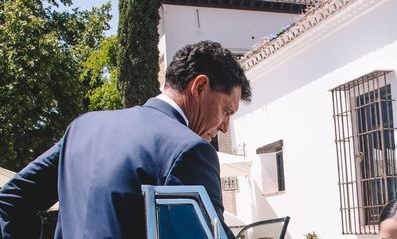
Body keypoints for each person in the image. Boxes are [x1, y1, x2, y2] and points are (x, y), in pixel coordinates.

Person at [0, 40, 251, 239]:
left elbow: (11, 201)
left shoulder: (82, 128)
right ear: (199, 87)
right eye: (226, 111)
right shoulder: (189, 150)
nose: (225, 127)